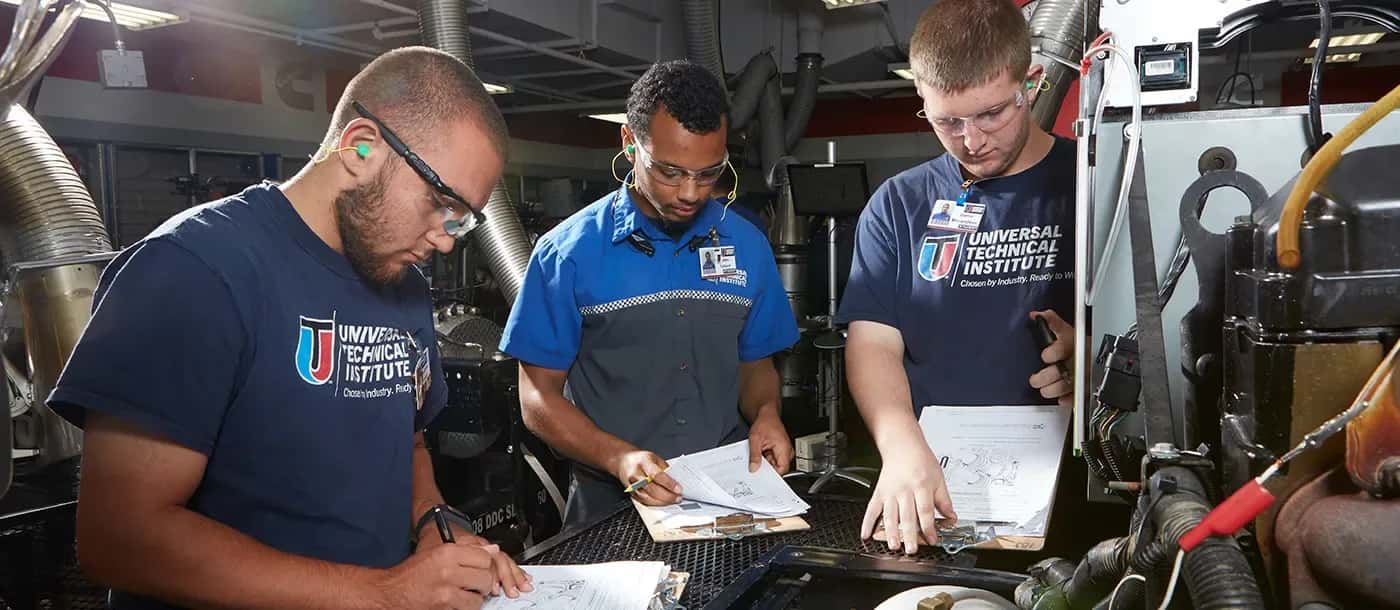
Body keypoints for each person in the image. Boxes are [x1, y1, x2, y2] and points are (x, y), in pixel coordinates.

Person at [48, 47, 532, 610]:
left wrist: (435, 523)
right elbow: (120, 539)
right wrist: (384, 593)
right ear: (361, 147)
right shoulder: (193, 270)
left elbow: (408, 438)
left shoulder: (404, 287)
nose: (447, 238)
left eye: (462, 218)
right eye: (439, 202)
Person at [500, 60, 800, 526]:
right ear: (629, 143)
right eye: (670, 171)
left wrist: (766, 413)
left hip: (727, 495)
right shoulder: (567, 254)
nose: (690, 193)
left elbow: (755, 365)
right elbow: (537, 399)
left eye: (709, 174)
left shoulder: (747, 246)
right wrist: (617, 457)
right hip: (609, 504)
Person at [838, 0, 1087, 555]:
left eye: (992, 114)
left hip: (1073, 492)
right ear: (921, 99)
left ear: (1033, 82)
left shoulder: (1093, 183)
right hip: (935, 489)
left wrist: (1091, 356)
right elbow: (873, 342)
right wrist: (901, 448)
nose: (971, 141)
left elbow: (1156, 327)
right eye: (947, 121)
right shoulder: (899, 204)